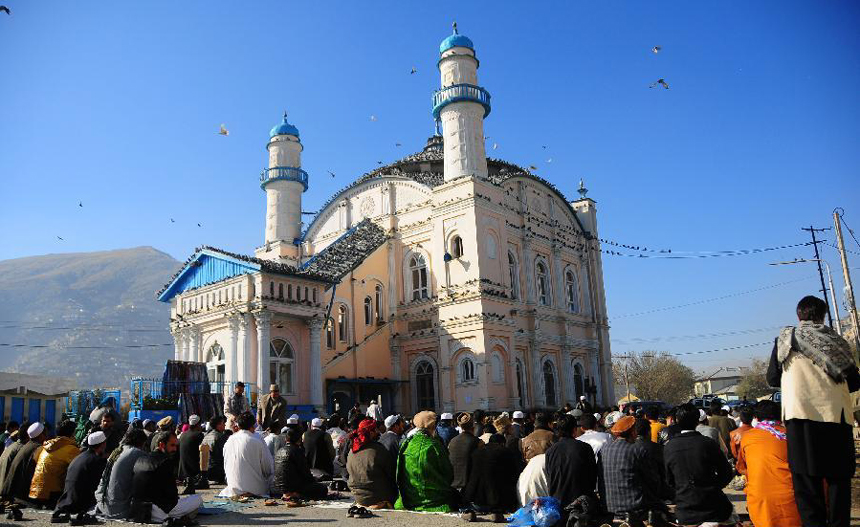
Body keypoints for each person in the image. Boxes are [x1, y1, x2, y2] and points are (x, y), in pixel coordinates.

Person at [766, 295, 859, 527]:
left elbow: (772, 378)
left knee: (806, 484)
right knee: (838, 481)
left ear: (799, 315)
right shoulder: (838, 342)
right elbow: (854, 382)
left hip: (800, 417)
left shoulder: (785, 340)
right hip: (836, 417)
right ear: (823, 316)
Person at [664, 403, 735, 526]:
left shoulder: (669, 447)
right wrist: (713, 487)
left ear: (676, 421)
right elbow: (727, 473)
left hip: (685, 511)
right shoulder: (708, 443)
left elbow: (669, 480)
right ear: (697, 421)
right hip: (713, 509)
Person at [735, 401, 801, 527]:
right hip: (791, 498)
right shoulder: (791, 435)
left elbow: (742, 467)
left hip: (759, 500)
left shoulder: (747, 437)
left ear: (756, 418)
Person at [598, 416, 666, 522]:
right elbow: (653, 481)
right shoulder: (636, 451)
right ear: (633, 432)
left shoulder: (603, 450)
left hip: (609, 508)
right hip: (634, 509)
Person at [131, 431, 203, 524]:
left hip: (138, 510)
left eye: (176, 446)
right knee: (198, 499)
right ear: (161, 445)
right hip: (158, 510)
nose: (175, 449)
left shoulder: (141, 459)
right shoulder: (165, 461)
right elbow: (172, 496)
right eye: (172, 445)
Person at [394, 411, 456, 512]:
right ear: (432, 427)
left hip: (409, 498)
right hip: (435, 500)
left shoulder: (407, 444)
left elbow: (399, 472)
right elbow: (448, 473)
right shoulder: (434, 446)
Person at [545, 414, 597, 523]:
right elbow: (592, 479)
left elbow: (550, 478)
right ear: (574, 429)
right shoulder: (585, 448)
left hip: (558, 505)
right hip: (580, 504)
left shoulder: (550, 451)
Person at [52, 431, 109, 525]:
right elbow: (98, 485)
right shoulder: (97, 461)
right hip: (81, 504)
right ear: (103, 444)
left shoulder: (79, 457)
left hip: (66, 501)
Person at [462, 434, 521, 522]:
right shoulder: (506, 452)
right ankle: (496, 513)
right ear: (502, 443)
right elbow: (514, 475)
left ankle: (470, 512)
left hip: (475, 502)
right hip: (499, 503)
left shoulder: (476, 452)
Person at [219, 412, 274, 498]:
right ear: (253, 426)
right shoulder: (257, 441)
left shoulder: (229, 441)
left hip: (233, 488)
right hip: (256, 489)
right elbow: (268, 468)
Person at [96, 429, 148, 518]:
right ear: (141, 442)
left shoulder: (117, 451)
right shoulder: (136, 453)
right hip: (119, 509)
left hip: (102, 505)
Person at [346, 419, 397, 508]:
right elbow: (392, 473)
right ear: (371, 433)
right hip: (376, 496)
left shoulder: (352, 450)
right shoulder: (378, 449)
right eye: (375, 430)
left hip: (357, 496)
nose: (377, 432)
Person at [29, 420, 79, 508]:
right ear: (72, 434)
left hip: (34, 492)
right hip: (52, 495)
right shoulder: (71, 449)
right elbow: (79, 468)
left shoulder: (46, 446)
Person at [273, 427, 330, 501]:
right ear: (299, 440)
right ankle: (296, 494)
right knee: (322, 488)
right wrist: (314, 481)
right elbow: (305, 473)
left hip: (279, 487)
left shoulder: (279, 451)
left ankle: (288, 494)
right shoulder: (297, 451)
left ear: (286, 439)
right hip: (294, 487)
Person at [3, 421, 46, 504]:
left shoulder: (27, 445)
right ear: (41, 435)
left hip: (12, 491)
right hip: (20, 494)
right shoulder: (38, 448)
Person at [448, 413, 481, 492]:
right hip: (470, 485)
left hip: (453, 485)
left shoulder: (452, 441)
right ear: (473, 427)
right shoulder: (478, 442)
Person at [178, 415, 207, 492]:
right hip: (193, 470)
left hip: (182, 470)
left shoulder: (182, 435)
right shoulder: (198, 435)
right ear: (198, 424)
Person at [201, 415, 231, 485]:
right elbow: (225, 455)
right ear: (218, 425)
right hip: (217, 471)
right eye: (223, 423)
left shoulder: (206, 436)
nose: (225, 424)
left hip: (206, 471)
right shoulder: (220, 437)